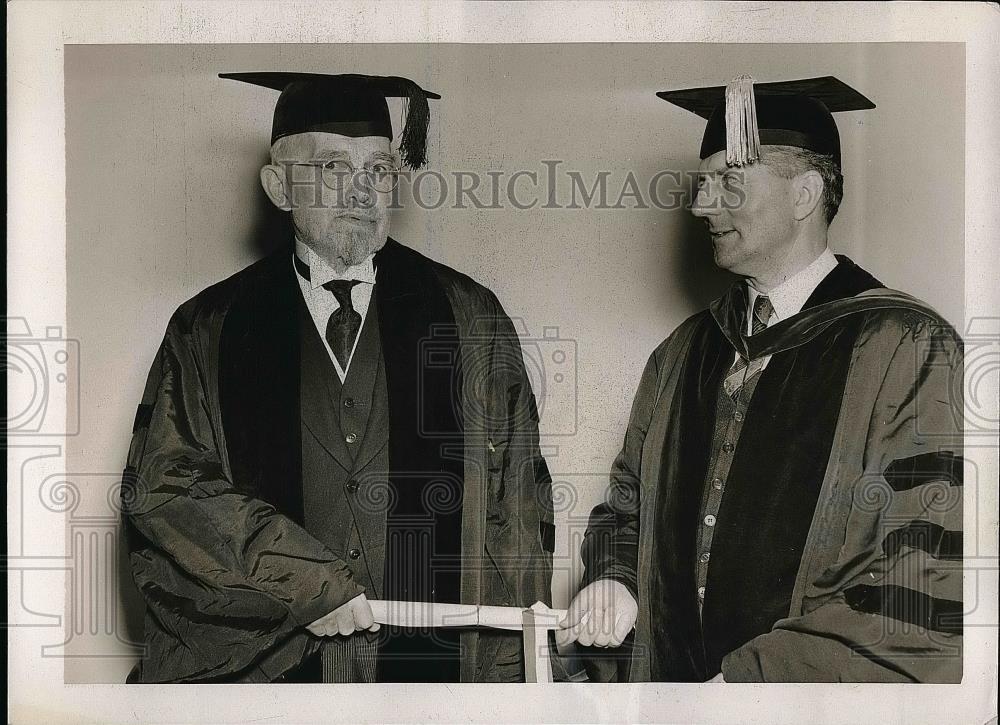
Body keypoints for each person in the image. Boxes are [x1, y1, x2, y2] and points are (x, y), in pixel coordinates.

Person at [121, 72, 554, 683]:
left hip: (433, 675)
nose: (361, 193)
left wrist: (509, 681)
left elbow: (520, 506)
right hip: (269, 673)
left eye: (378, 170)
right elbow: (165, 491)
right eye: (331, 169)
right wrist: (304, 578)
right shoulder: (209, 329)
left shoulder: (467, 315)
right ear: (278, 185)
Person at [557, 75, 963, 683]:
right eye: (703, 182)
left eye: (729, 182)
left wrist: (753, 683)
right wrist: (615, 580)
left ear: (804, 194)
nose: (700, 205)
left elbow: (923, 585)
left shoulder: (905, 350)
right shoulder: (682, 354)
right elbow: (626, 510)